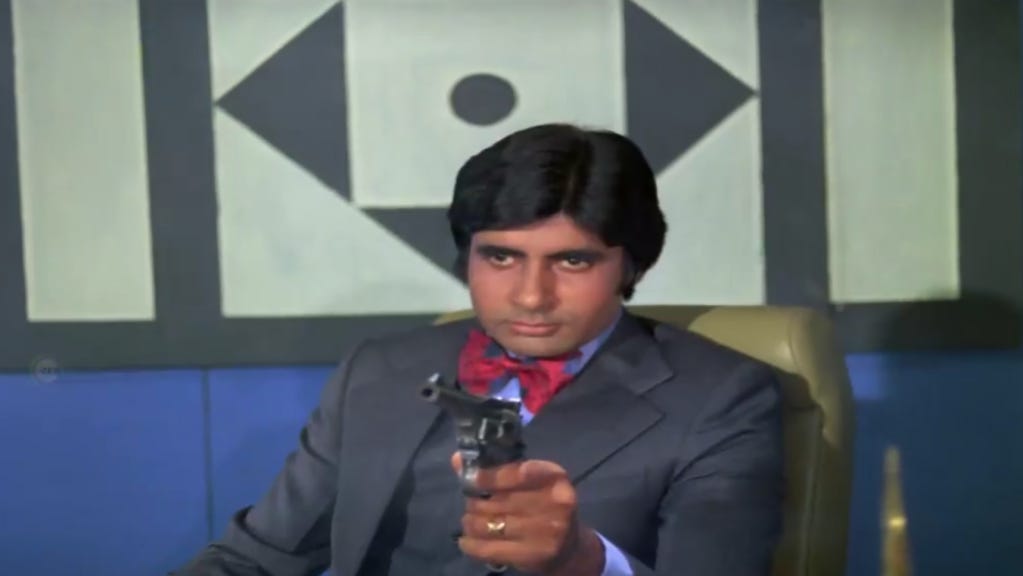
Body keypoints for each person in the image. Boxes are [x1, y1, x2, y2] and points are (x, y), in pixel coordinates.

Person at [173, 123, 783, 576]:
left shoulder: (722, 398)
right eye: (501, 257)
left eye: (573, 261)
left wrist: (583, 560)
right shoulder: (379, 370)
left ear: (633, 265)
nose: (532, 295)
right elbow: (254, 559)